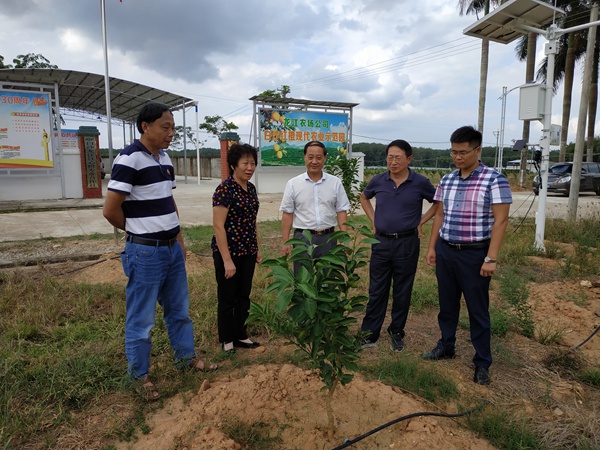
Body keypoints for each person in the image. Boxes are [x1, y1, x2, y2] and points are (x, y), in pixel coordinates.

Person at [103, 102, 216, 401]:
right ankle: (139, 376)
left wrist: (179, 238)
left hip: (171, 250)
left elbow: (168, 202)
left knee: (179, 310)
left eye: (173, 128)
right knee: (141, 320)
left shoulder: (165, 159)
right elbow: (110, 210)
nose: (170, 133)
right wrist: (137, 231)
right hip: (146, 253)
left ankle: (186, 358)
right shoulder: (129, 159)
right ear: (145, 126)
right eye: (165, 127)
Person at [423, 125, 512, 385]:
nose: (457, 157)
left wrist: (491, 258)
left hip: (475, 255)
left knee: (477, 309)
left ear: (477, 150)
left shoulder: (495, 179)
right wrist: (432, 247)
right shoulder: (447, 180)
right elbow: (439, 215)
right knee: (447, 305)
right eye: (453, 152)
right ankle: (446, 346)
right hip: (447, 251)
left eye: (463, 152)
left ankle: (482, 361)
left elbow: (501, 221)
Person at [360, 139, 437, 352]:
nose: (393, 162)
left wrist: (421, 221)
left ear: (409, 159)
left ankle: (396, 332)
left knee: (402, 290)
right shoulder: (378, 180)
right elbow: (364, 198)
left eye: (398, 158)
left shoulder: (420, 182)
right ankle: (369, 334)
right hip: (381, 242)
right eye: (390, 157)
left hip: (407, 243)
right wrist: (374, 220)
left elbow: (438, 203)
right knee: (377, 289)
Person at [212, 143, 262, 354]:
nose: (249, 167)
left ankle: (241, 334)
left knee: (244, 294)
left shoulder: (250, 188)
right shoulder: (224, 189)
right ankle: (227, 339)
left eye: (252, 163)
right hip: (229, 251)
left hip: (248, 250)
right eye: (245, 163)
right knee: (227, 296)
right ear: (233, 165)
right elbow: (218, 225)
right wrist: (227, 260)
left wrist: (257, 247)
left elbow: (252, 221)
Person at [280, 140, 351, 270]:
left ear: (325, 158)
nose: (314, 161)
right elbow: (287, 214)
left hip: (328, 238)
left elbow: (341, 212)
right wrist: (286, 241)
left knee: (327, 277)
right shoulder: (293, 184)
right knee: (303, 278)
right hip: (302, 239)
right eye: (310, 157)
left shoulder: (335, 183)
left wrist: (344, 239)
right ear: (304, 157)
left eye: (319, 157)